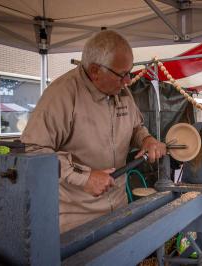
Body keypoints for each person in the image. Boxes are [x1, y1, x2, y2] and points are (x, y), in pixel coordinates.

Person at [21, 30, 166, 233]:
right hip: (76, 218)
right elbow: (34, 150)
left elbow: (135, 128)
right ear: (95, 70)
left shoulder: (121, 92)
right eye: (122, 75)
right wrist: (84, 177)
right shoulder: (62, 95)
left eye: (129, 73)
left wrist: (147, 139)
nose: (128, 82)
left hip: (118, 207)